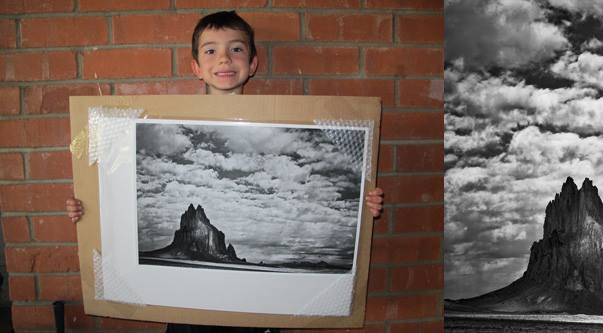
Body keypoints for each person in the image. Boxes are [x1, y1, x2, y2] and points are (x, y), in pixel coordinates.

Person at [64, 11, 384, 333]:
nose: (224, 59)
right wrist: (90, 210)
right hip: (188, 309)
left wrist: (361, 205)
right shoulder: (160, 120)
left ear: (253, 63)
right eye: (211, 50)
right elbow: (107, 181)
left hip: (250, 311)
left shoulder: (281, 122)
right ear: (196, 68)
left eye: (236, 49)